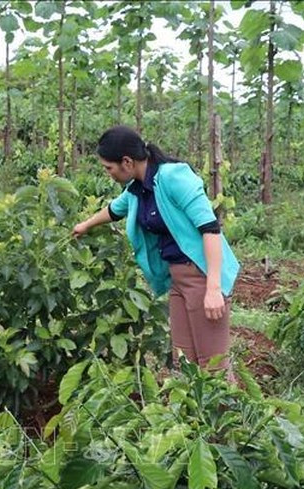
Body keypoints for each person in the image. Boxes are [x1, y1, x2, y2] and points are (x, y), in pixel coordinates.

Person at [72, 126, 240, 375]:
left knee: (213, 367)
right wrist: (85, 225)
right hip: (177, 279)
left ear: (127, 162)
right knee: (184, 363)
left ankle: (230, 403)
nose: (108, 174)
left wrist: (213, 289)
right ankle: (191, 403)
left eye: (109, 168)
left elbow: (211, 229)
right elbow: (115, 210)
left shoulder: (173, 178)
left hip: (202, 275)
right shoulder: (137, 189)